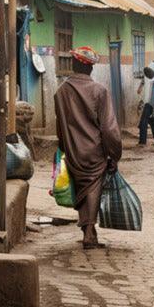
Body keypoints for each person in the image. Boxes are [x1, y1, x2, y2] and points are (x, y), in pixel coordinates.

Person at [54, 46, 123, 249]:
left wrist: (63, 147)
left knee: (82, 188)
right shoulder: (99, 91)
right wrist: (114, 154)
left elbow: (60, 126)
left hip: (72, 150)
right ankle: (90, 232)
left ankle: (86, 229)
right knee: (92, 188)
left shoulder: (61, 92)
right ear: (90, 69)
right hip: (95, 151)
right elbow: (109, 128)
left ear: (73, 66)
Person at [136, 65, 154, 146]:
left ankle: (142, 141)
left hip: (150, 105)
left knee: (143, 123)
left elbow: (152, 96)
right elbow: (139, 90)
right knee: (153, 123)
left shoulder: (153, 82)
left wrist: (153, 107)